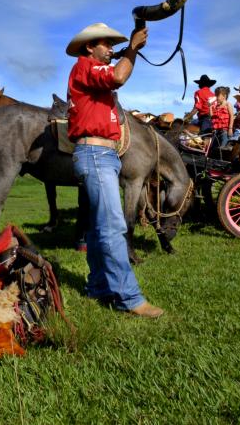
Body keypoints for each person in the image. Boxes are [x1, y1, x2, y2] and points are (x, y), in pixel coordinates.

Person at [66, 22, 163, 318]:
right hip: (96, 153)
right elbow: (119, 76)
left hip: (100, 154)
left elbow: (116, 74)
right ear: (89, 47)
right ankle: (129, 298)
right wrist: (131, 49)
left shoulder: (92, 73)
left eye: (112, 45)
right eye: (105, 44)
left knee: (98, 228)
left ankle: (98, 286)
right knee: (113, 226)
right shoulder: (85, 66)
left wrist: (128, 52)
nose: (110, 48)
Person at [210, 86, 234, 150]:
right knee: (213, 148)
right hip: (216, 131)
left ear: (224, 96)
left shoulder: (228, 104)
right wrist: (210, 107)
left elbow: (232, 116)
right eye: (215, 95)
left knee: (222, 149)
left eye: (218, 95)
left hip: (225, 131)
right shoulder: (217, 106)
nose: (216, 97)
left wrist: (230, 128)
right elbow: (212, 117)